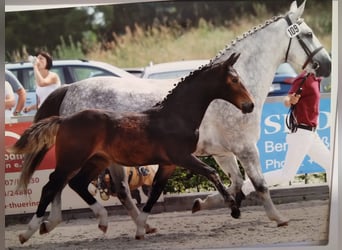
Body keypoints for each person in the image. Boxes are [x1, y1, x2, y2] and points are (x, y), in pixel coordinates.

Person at [242, 70, 332, 195]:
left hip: (311, 134)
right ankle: (247, 186)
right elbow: (287, 98)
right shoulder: (304, 78)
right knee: (287, 175)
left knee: (331, 165)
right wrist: (290, 100)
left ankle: (336, 200)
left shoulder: (316, 78)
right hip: (301, 133)